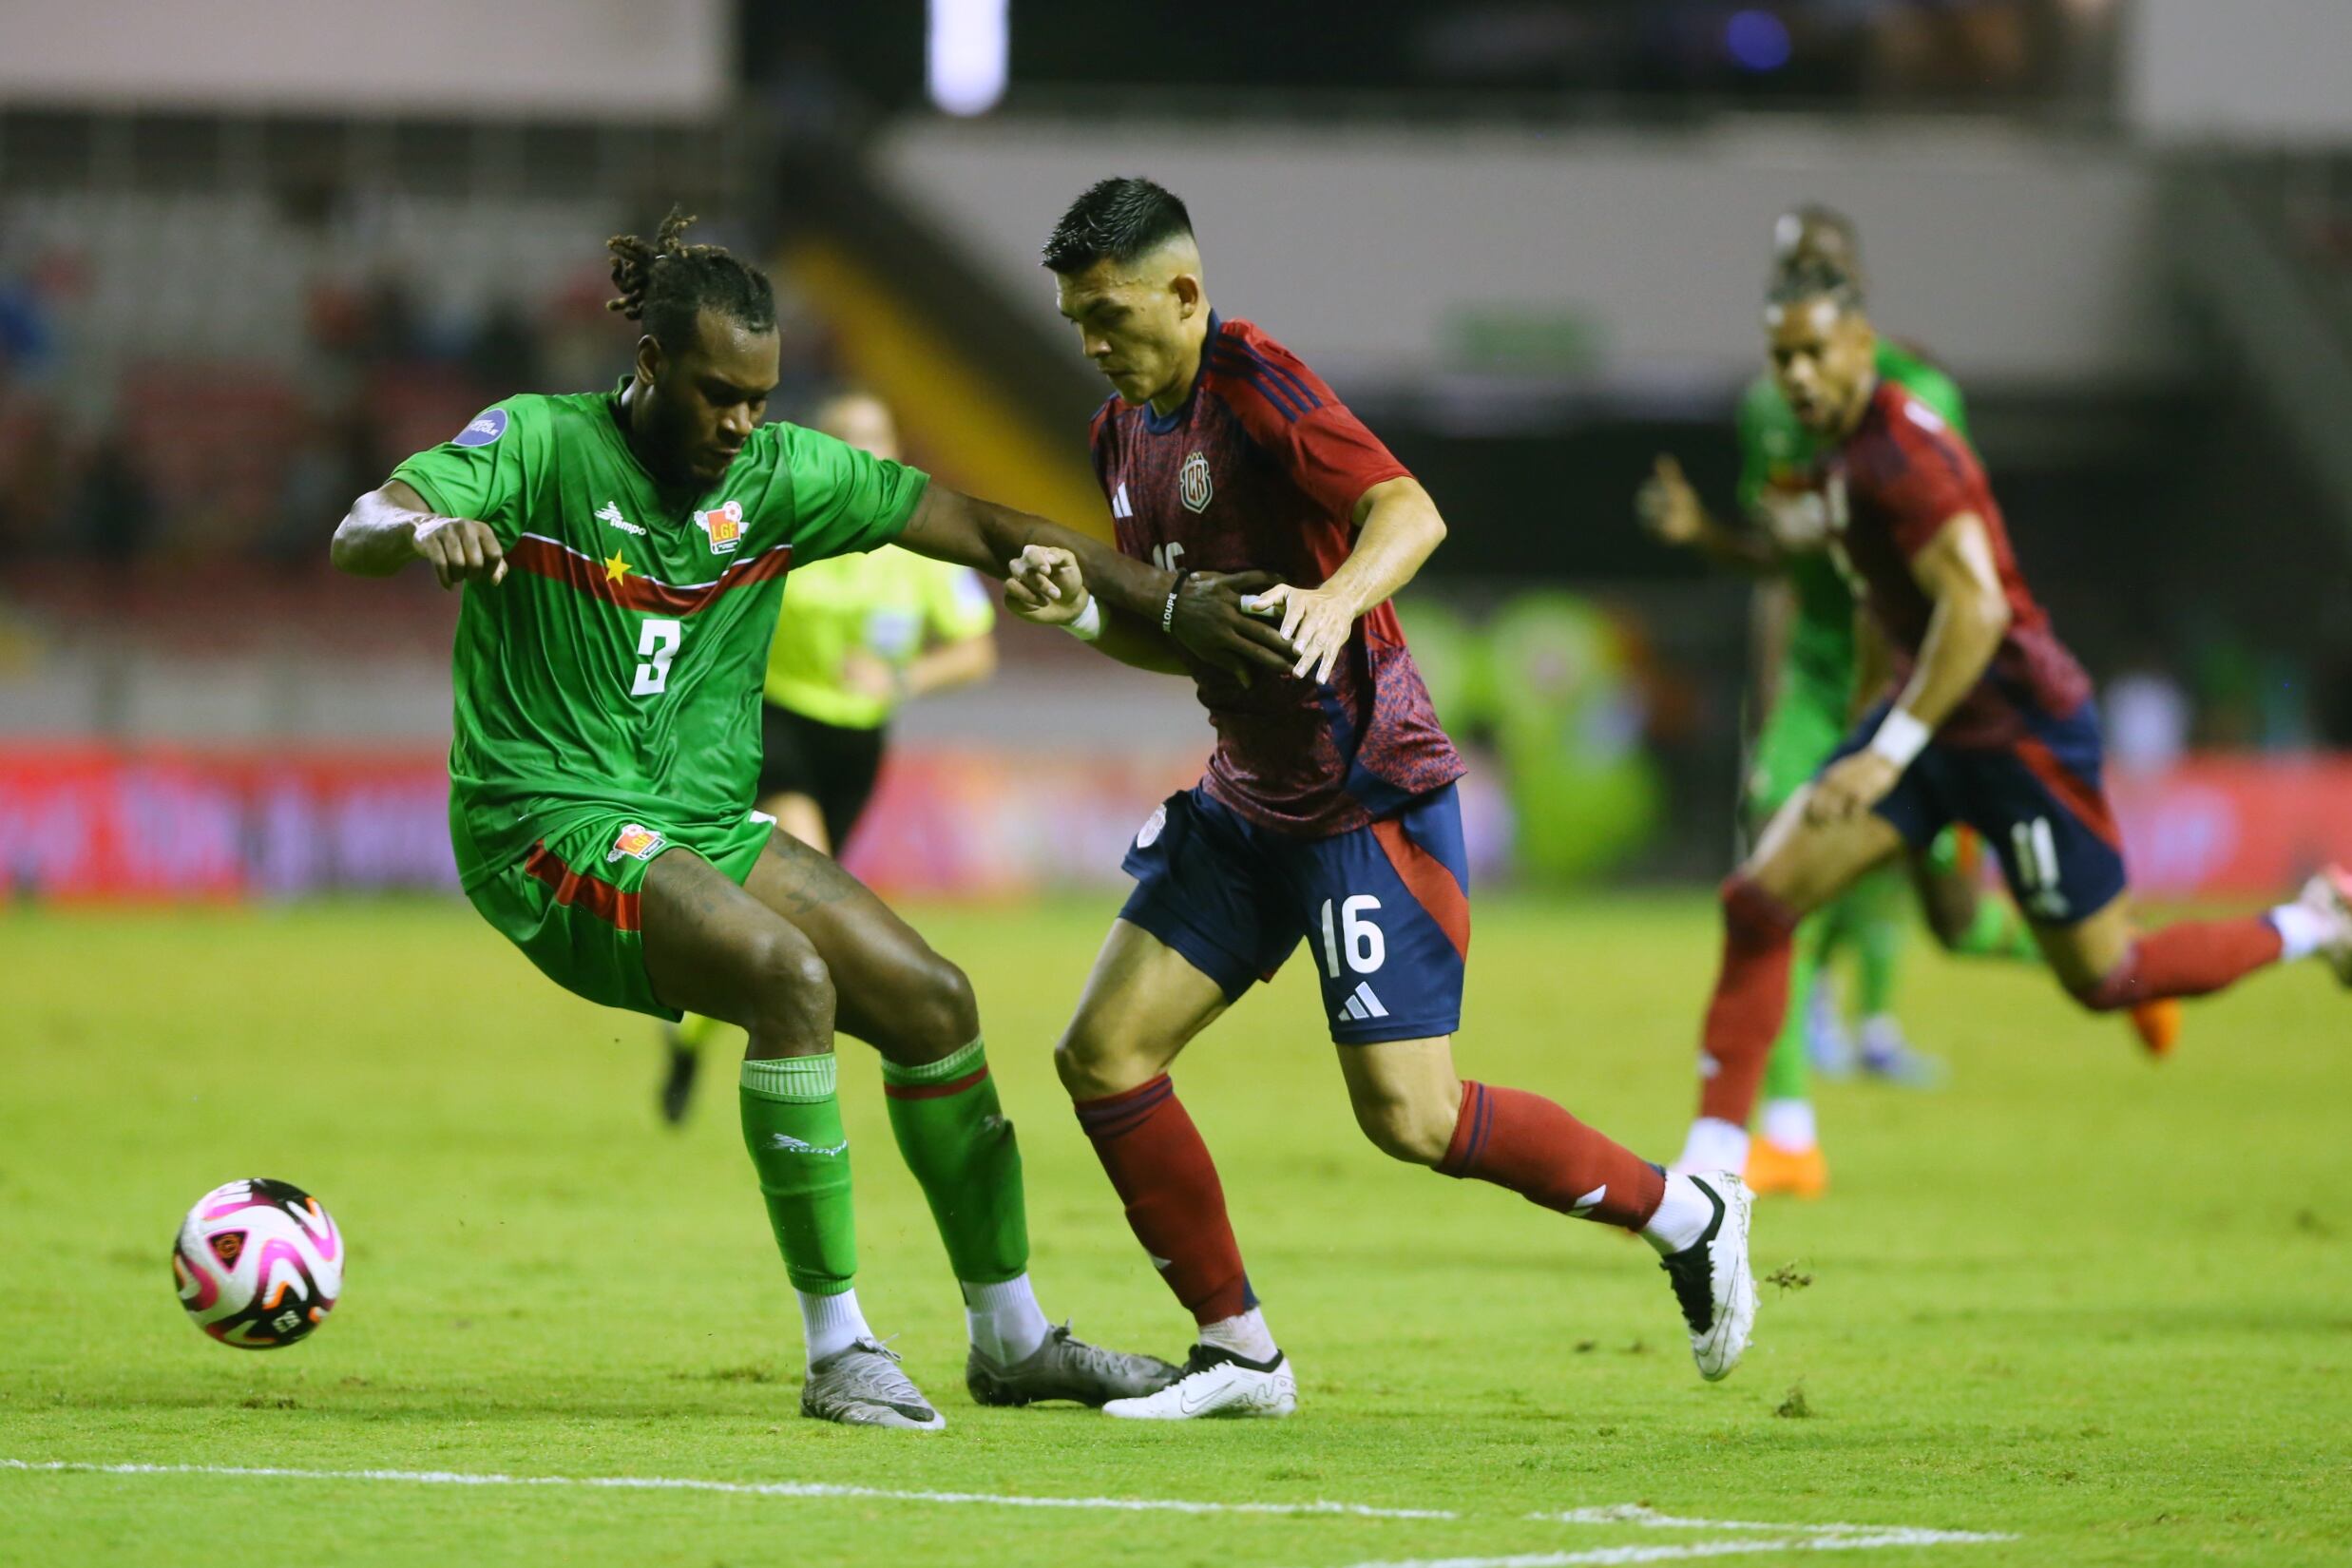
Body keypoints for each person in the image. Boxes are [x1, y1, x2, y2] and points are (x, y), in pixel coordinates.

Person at [328, 208, 1292, 1429]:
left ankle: (1010, 1338)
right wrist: (429, 528)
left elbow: (990, 530)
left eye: (760, 398)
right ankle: (840, 1348)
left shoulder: (782, 474)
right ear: (649, 369)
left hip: (697, 817)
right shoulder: (535, 443)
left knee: (935, 1002)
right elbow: (361, 523)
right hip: (544, 821)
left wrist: (1171, 598)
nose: (741, 424)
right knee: (789, 979)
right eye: (718, 395)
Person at [1003, 177, 1758, 1420]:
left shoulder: (1255, 384)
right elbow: (1184, 634)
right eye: (1075, 320)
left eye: (1108, 313)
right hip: (1248, 802)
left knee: (1410, 1116)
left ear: (1184, 294)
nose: (1091, 343)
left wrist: (1333, 597)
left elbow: (1407, 509)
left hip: (1364, 797)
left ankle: (1683, 1212)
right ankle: (1238, 1350)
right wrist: (1084, 611)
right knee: (1101, 1050)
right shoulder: (1118, 435)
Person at [1669, 257, 2352, 1181]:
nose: (1794, 375)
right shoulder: (1826, 456)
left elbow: (1977, 612)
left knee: (2109, 977)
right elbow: (1880, 600)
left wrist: (1887, 748)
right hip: (1924, 723)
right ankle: (1712, 1177)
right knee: (1761, 901)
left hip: (2018, 737)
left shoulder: (1905, 453)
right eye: (1780, 357)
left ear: (1863, 347)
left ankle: (2313, 925)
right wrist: (1869, 734)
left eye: (1814, 353)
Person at [1638, 206, 2175, 1198]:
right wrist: (1707, 538)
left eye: (1822, 270)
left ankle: (2124, 966)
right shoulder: (1768, 407)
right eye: (1789, 270)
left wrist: (1909, 717)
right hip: (1814, 673)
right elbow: (1790, 555)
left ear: (1857, 297)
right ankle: (1785, 1136)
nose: (1803, 288)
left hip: (1917, 680)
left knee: (1958, 920)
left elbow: (1943, 563)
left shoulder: (1921, 400)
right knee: (1772, 881)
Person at [657, 389, 998, 1124]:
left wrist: (900, 678)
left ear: (896, 453)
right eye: (846, 439)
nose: (862, 452)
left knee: (768, 915)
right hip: (770, 726)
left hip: (857, 745)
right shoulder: (787, 527)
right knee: (806, 891)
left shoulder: (921, 554)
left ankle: (690, 1036)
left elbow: (976, 650)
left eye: (875, 438)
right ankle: (792, 1072)